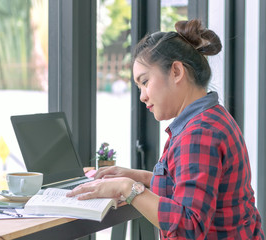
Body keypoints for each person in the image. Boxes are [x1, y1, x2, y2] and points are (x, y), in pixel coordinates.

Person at [67, 19, 265, 239]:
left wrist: (127, 188)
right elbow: (192, 186)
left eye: (145, 81)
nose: (142, 96)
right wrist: (138, 176)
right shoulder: (211, 118)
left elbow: (189, 226)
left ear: (176, 71)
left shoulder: (198, 134)